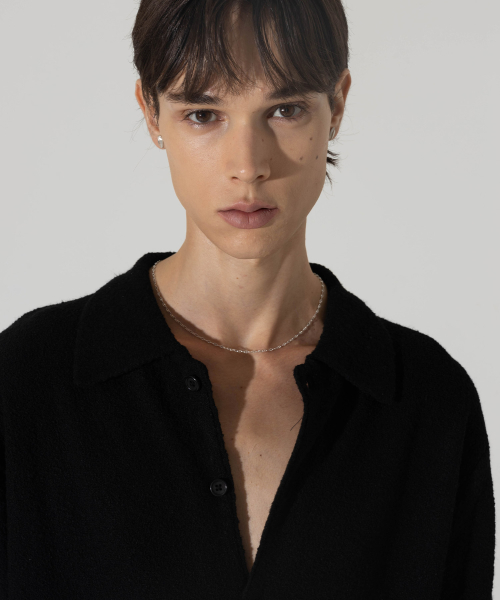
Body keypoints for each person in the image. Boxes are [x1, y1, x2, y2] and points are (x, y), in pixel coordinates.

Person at [0, 0, 495, 598]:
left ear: (336, 106)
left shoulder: (427, 400)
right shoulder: (28, 380)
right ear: (151, 113)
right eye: (203, 114)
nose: (248, 166)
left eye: (284, 110)